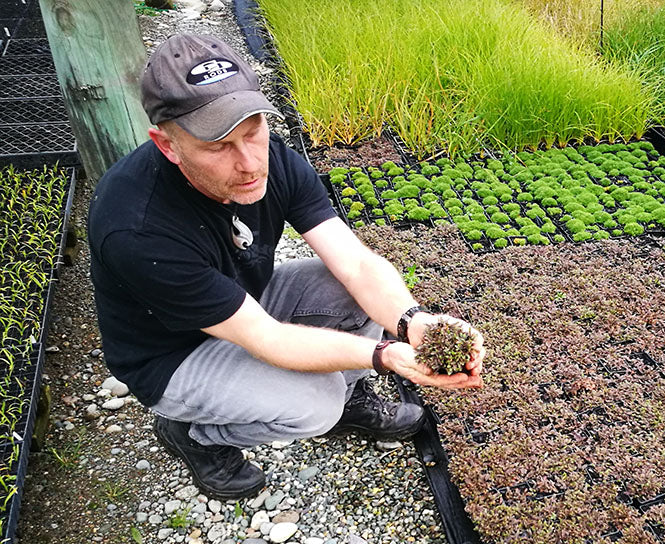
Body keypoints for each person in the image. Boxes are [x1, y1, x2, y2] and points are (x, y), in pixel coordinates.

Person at [88, 34, 484, 501]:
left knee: (345, 288)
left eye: (253, 130)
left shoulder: (275, 160)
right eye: (218, 145)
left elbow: (355, 263)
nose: (250, 162)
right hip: (174, 354)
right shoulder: (137, 226)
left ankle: (351, 400)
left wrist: (413, 321)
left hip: (241, 302)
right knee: (314, 404)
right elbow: (266, 338)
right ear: (168, 146)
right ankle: (193, 436)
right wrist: (383, 356)